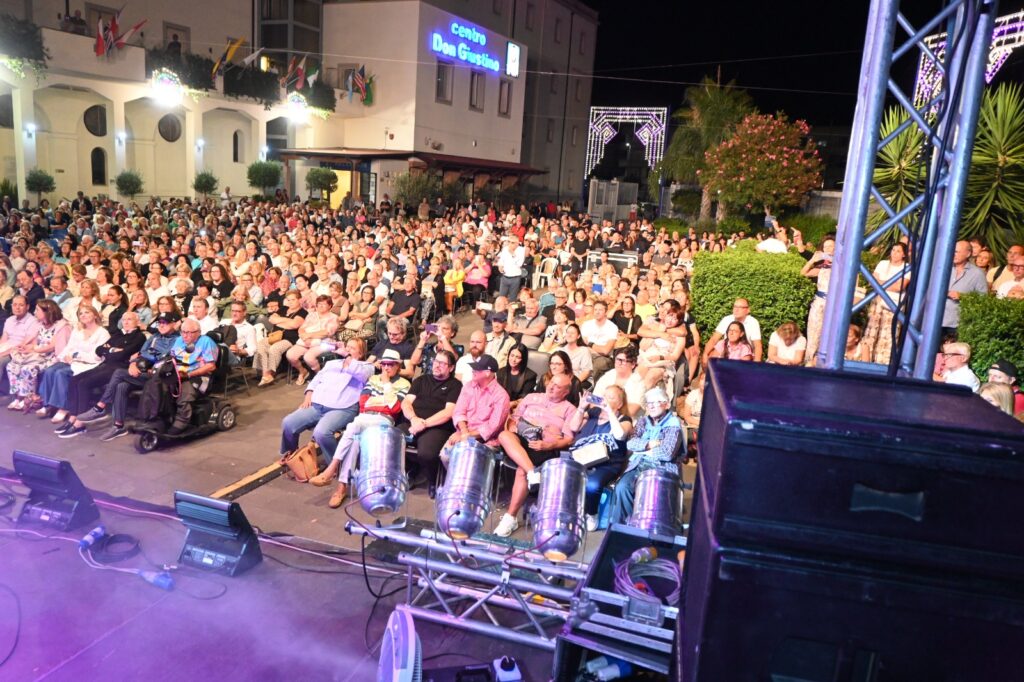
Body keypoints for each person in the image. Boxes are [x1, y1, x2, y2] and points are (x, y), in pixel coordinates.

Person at [311, 349, 411, 508]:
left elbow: (394, 408)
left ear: (398, 366)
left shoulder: (404, 384)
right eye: (384, 364)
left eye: (390, 364)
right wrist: (383, 401)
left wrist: (386, 385)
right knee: (354, 440)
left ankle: (332, 470)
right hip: (365, 417)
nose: (386, 367)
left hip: (383, 420)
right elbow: (363, 403)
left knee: (353, 427)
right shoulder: (373, 379)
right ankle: (341, 486)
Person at [493, 373, 577, 537]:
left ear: (566, 392)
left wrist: (549, 444)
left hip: (544, 447)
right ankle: (533, 472)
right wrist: (513, 426)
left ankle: (510, 518)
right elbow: (513, 419)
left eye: (557, 386)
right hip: (521, 441)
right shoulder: (531, 397)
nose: (551, 387)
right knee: (504, 435)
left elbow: (568, 439)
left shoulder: (569, 409)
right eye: (551, 382)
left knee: (521, 471)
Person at [75, 313, 182, 441]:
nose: (162, 325)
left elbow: (165, 358)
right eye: (160, 323)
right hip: (143, 371)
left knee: (119, 373)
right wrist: (133, 364)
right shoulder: (154, 337)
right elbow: (140, 354)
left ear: (173, 324)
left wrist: (145, 358)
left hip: (160, 375)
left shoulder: (178, 339)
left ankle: (100, 406)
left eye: (166, 323)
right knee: (122, 385)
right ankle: (118, 426)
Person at [279, 338, 373, 463]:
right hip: (318, 404)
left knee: (321, 433)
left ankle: (334, 465)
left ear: (360, 354)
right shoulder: (332, 364)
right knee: (288, 423)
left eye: (353, 348)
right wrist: (309, 394)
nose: (348, 349)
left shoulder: (367, 367)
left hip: (343, 408)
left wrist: (347, 355)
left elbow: (362, 375)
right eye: (347, 347)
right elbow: (316, 380)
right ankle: (292, 454)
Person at [55, 311, 147, 437]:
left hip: (118, 368)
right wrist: (113, 350)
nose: (126, 322)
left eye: (129, 319)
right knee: (74, 380)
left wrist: (109, 350)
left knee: (84, 383)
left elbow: (124, 354)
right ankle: (73, 417)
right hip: (105, 365)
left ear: (137, 322)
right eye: (124, 319)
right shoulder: (118, 334)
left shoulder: (139, 337)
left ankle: (80, 424)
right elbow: (99, 350)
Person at [607, 386, 684, 525]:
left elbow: (666, 453)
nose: (651, 406)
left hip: (663, 468)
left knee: (650, 491)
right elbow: (630, 443)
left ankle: (644, 526)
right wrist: (649, 444)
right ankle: (623, 527)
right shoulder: (643, 421)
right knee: (623, 487)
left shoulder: (673, 424)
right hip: (640, 464)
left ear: (666, 404)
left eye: (656, 402)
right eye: (649, 403)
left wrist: (642, 449)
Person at [568, 385, 634, 532]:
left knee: (592, 484)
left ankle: (592, 513)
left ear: (620, 404)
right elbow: (573, 427)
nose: (605, 399)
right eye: (604, 396)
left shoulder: (625, 419)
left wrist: (609, 411)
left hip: (608, 463)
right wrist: (581, 408)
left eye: (611, 397)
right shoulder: (593, 413)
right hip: (583, 458)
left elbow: (619, 435)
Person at [400, 348, 462, 498]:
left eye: (442, 363)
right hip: (413, 422)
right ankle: (409, 470)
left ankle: (433, 480)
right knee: (392, 441)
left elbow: (448, 413)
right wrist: (414, 419)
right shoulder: (421, 380)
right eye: (436, 361)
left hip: (437, 427)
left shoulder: (455, 385)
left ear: (451, 368)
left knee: (427, 453)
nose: (437, 365)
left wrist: (424, 424)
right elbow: (406, 403)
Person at [34, 305, 110, 419]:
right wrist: (64, 356)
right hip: (73, 361)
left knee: (61, 373)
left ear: (95, 315)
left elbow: (97, 356)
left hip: (90, 364)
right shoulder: (78, 330)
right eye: (81, 313)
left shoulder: (103, 333)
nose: (83, 315)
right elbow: (69, 347)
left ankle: (63, 407)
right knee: (50, 370)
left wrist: (76, 356)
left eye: (87, 312)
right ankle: (48, 404)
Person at [6, 300, 70, 413]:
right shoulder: (40, 324)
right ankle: (18, 396)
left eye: (37, 310)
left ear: (47, 312)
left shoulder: (61, 326)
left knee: (28, 368)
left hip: (52, 357)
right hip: (38, 355)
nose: (34, 312)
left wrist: (34, 349)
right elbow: (34, 342)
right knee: (11, 366)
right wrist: (25, 348)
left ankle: (28, 397)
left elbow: (52, 346)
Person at [444, 354, 510, 455]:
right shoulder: (468, 386)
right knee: (445, 455)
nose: (472, 371)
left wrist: (468, 435)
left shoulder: (501, 396)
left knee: (466, 457)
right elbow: (458, 412)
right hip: (463, 433)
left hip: (486, 442)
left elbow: (492, 427)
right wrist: (464, 431)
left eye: (477, 369)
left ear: (487, 373)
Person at [864, 242, 910, 365]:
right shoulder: (883, 264)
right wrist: (888, 284)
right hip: (878, 303)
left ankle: (882, 365)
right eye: (893, 250)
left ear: (904, 254)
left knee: (888, 336)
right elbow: (872, 281)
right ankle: (866, 362)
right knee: (871, 333)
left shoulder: (907, 267)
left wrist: (880, 282)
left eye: (898, 251)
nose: (894, 253)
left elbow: (899, 287)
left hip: (893, 306)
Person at [254, 290, 307, 386]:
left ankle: (269, 374)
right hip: (274, 336)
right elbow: (271, 319)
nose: (290, 302)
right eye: (289, 300)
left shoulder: (303, 312)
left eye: (293, 300)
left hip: (289, 339)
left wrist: (279, 321)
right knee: (261, 344)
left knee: (274, 348)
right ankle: (264, 373)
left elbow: (294, 325)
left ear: (299, 300)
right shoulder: (283, 308)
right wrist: (287, 321)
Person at [286, 294, 338, 384]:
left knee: (308, 357)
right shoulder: (311, 315)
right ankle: (302, 371)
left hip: (326, 343)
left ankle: (319, 375)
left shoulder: (333, 317)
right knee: (290, 355)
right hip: (307, 341)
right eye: (319, 304)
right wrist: (304, 337)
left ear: (330, 306)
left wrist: (309, 335)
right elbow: (301, 328)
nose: (320, 306)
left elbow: (327, 332)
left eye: (324, 304)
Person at [942, 240, 988, 338]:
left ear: (968, 254)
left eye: (957, 252)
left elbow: (983, 299)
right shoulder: (944, 269)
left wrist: (963, 296)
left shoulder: (977, 274)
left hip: (958, 324)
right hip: (938, 320)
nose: (953, 254)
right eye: (953, 251)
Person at [0, 295, 41, 395]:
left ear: (27, 306)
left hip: (19, 352)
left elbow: (23, 345)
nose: (17, 308)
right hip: (6, 348)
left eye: (21, 305)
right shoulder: (9, 320)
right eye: (15, 305)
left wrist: (3, 353)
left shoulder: (33, 322)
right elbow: (3, 340)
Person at [702, 298, 763, 364]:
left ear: (748, 310)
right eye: (735, 306)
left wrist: (756, 365)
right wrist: (705, 354)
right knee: (709, 358)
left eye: (740, 307)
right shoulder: (727, 319)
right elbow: (714, 339)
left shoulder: (753, 322)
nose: (736, 310)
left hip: (743, 354)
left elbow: (757, 346)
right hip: (726, 352)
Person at [593, 344, 645, 417]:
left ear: (633, 364)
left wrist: (608, 411)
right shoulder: (607, 376)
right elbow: (593, 401)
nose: (619, 363)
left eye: (623, 361)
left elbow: (632, 410)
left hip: (625, 420)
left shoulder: (639, 383)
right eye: (617, 360)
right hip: (601, 417)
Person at [496, 343, 538, 410]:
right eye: (512, 355)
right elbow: (498, 394)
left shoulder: (530, 376)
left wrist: (512, 404)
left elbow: (525, 398)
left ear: (523, 359)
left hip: (520, 408)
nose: (513, 360)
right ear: (508, 356)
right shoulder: (501, 372)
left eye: (518, 357)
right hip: (501, 406)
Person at [218, 301, 258, 367]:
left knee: (223, 347)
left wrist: (239, 351)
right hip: (218, 351)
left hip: (234, 356)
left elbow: (253, 349)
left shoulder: (249, 328)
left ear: (244, 313)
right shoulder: (224, 322)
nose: (234, 314)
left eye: (238, 311)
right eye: (233, 311)